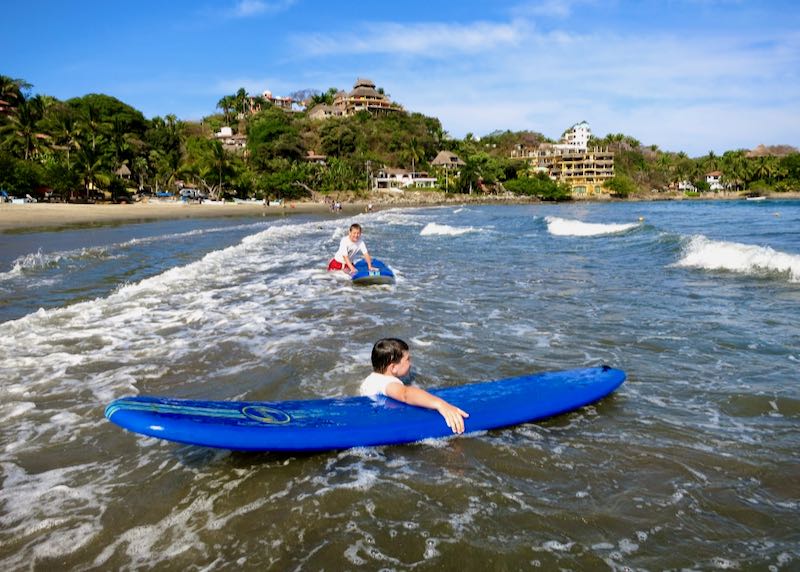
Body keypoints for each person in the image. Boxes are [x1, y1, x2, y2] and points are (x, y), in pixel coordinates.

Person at [360, 338, 469, 434]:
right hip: (382, 425)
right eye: (407, 359)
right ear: (393, 367)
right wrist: (441, 404)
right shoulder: (387, 383)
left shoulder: (372, 379)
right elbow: (405, 394)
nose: (410, 363)